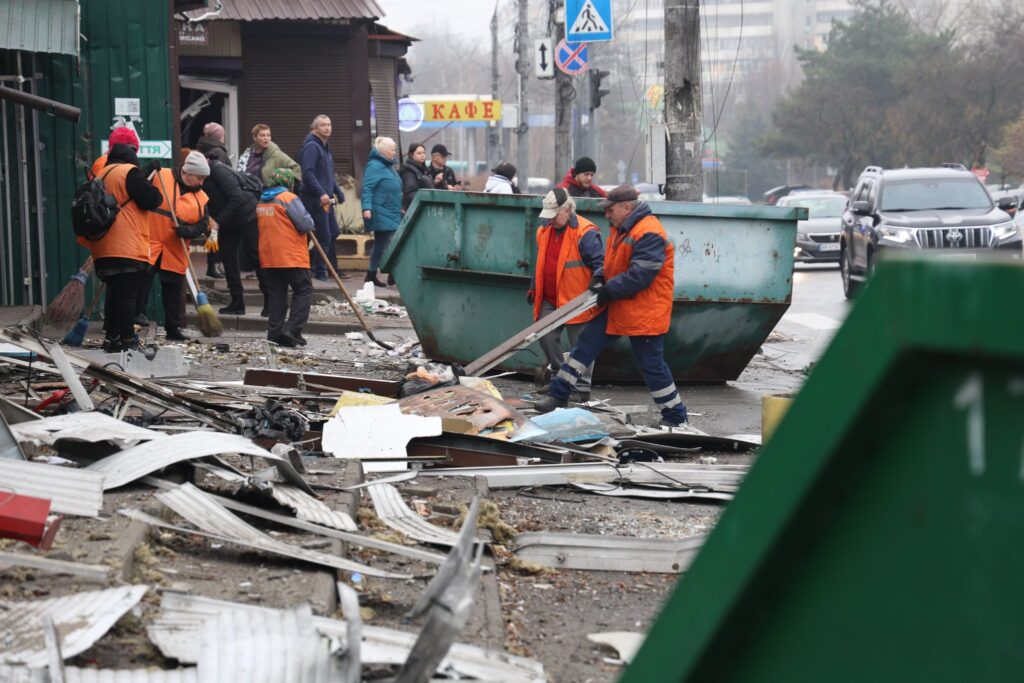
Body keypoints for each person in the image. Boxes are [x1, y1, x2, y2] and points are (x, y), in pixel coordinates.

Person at [532, 184, 688, 426]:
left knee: (651, 365)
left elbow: (639, 276)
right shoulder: (622, 228)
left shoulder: (649, 232)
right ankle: (559, 394)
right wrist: (600, 276)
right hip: (620, 305)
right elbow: (614, 262)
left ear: (626, 208)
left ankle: (676, 417)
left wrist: (607, 290)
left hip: (644, 311)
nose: (606, 214)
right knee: (584, 347)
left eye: (610, 209)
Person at [79, 139, 163, 353]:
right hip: (127, 245)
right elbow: (152, 199)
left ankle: (112, 338)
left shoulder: (103, 174)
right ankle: (128, 340)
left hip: (103, 246)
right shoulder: (129, 172)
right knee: (128, 296)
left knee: (116, 294)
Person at [528, 188, 604, 401]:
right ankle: (561, 380)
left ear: (568, 210)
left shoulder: (585, 232)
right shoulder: (543, 232)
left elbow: (601, 264)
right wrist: (534, 286)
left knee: (582, 344)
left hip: (577, 300)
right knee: (545, 335)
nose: (550, 221)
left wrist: (597, 285)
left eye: (554, 216)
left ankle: (580, 387)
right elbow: (540, 264)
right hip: (551, 298)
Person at [137, 151, 211, 341]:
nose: (202, 182)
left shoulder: (202, 198)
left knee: (173, 290)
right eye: (200, 177)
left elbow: (203, 224)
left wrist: (189, 231)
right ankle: (135, 317)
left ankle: (173, 328)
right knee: (141, 282)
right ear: (187, 172)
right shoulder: (162, 176)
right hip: (151, 242)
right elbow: (138, 188)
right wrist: (147, 170)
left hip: (175, 247)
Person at [202, 150, 267, 315]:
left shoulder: (218, 170)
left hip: (247, 215)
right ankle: (237, 302)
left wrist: (218, 221)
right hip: (227, 220)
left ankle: (270, 301)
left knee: (255, 257)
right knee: (228, 259)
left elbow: (236, 198)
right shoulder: (197, 179)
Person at [257, 168, 315, 348]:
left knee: (277, 294)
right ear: (288, 182)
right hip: (291, 255)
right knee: (303, 289)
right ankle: (292, 330)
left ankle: (274, 333)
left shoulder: (261, 202)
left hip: (269, 256)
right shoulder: (288, 198)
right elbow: (305, 223)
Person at [299, 115, 346, 281]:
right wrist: (321, 193)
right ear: (315, 129)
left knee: (333, 233)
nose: (327, 128)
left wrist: (338, 192)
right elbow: (308, 173)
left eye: (329, 124)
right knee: (323, 236)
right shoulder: (312, 147)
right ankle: (320, 272)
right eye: (323, 125)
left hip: (325, 198)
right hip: (313, 198)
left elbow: (328, 175)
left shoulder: (325, 147)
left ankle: (313, 262)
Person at [361, 137, 403, 287]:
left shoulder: (388, 165)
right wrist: (367, 208)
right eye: (392, 149)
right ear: (384, 151)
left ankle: (371, 275)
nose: (394, 152)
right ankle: (393, 274)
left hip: (390, 210)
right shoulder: (375, 166)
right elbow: (367, 188)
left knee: (380, 244)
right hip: (380, 211)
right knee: (392, 243)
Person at [236, 123, 301, 187]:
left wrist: (279, 176)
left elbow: (296, 169)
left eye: (268, 135)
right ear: (255, 137)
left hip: (269, 194)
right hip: (248, 192)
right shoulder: (246, 156)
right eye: (262, 135)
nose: (266, 138)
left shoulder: (276, 154)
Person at [399, 142, 434, 212]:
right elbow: (409, 193)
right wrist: (424, 200)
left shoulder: (423, 169)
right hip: (415, 210)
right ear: (411, 155)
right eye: (419, 153)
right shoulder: (409, 171)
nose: (422, 155)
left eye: (424, 153)